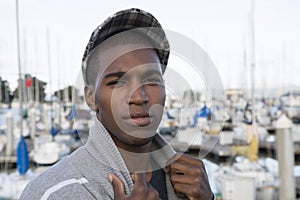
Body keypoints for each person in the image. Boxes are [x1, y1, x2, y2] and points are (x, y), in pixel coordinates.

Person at [20, 8, 214, 200]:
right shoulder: (52, 192)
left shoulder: (187, 183)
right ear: (91, 98)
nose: (139, 97)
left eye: (151, 79)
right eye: (117, 82)